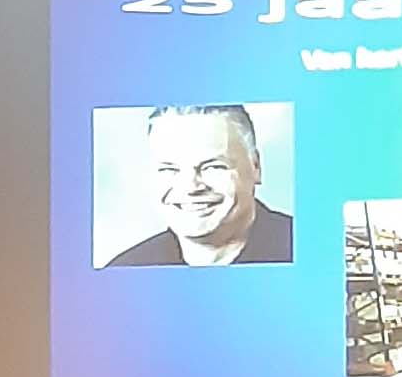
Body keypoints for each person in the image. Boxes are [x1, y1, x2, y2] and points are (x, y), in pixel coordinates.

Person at [107, 104, 294, 267]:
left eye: (213, 167)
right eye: (169, 169)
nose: (190, 187)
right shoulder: (123, 272)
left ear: (256, 167)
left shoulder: (307, 249)